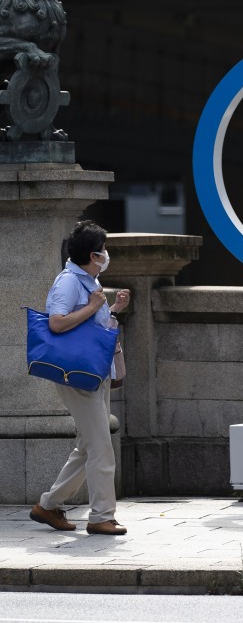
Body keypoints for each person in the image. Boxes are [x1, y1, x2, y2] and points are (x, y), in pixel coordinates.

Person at [31, 220, 131, 536]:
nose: (106, 255)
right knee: (101, 446)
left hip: (92, 373)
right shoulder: (70, 282)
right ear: (92, 254)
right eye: (103, 251)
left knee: (88, 446)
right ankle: (101, 516)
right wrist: (93, 306)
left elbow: (90, 329)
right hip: (77, 376)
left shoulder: (88, 280)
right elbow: (57, 324)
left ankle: (48, 505)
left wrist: (112, 309)